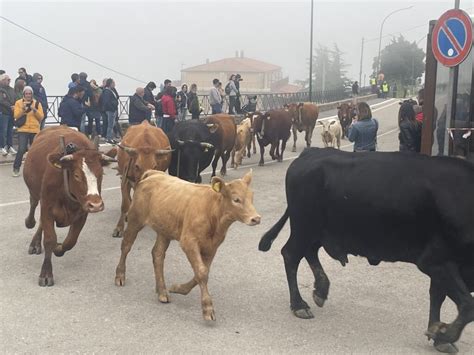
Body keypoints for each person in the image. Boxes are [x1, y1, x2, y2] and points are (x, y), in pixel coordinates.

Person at [12, 86, 44, 176]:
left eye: (30, 94)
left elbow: (41, 117)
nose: (28, 95)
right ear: (24, 94)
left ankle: (36, 169)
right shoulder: (18, 103)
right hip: (23, 129)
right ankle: (16, 168)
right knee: (21, 149)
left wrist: (34, 110)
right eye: (26, 94)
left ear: (32, 94)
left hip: (34, 129)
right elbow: (16, 116)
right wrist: (23, 110)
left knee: (35, 151)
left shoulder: (37, 103)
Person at [0, 74, 17, 156]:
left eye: (10, 79)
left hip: (11, 113)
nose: (9, 81)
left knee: (10, 131)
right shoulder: (0, 89)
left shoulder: (12, 90)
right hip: (3, 112)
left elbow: (15, 99)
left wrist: (15, 106)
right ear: (2, 80)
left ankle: (10, 146)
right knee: (3, 130)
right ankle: (2, 147)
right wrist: (11, 106)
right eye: (8, 79)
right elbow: (2, 101)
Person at [101, 78, 120, 144]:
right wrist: (112, 107)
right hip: (110, 110)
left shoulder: (111, 90)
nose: (114, 84)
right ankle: (109, 138)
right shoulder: (107, 91)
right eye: (113, 83)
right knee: (110, 125)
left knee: (112, 124)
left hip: (112, 110)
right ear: (110, 83)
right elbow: (106, 102)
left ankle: (110, 137)